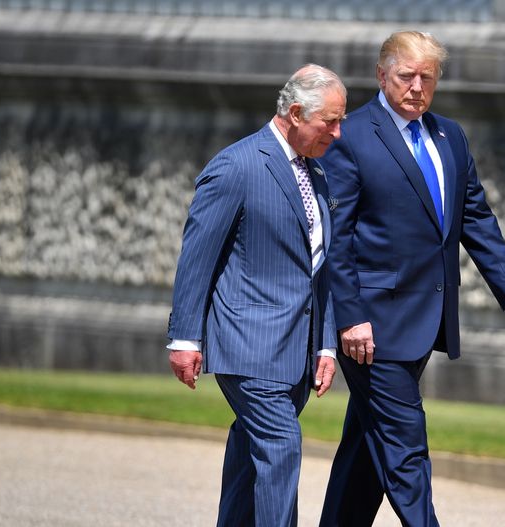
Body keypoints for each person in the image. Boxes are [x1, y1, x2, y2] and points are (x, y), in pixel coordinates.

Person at [317, 31, 505, 527]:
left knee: (366, 445)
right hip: (371, 330)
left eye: (427, 78)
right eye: (406, 76)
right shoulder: (350, 136)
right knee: (406, 446)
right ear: (381, 75)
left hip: (426, 319)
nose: (417, 87)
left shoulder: (450, 137)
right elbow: (337, 237)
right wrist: (350, 317)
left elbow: (476, 219)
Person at [166, 64, 346, 527]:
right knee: (282, 448)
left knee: (251, 454)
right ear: (295, 112)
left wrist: (325, 343)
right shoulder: (237, 165)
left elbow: (319, 269)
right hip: (248, 346)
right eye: (330, 121)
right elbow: (197, 258)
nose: (338, 132)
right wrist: (185, 338)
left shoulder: (318, 175)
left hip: (296, 351)